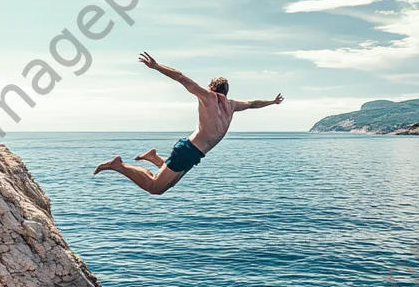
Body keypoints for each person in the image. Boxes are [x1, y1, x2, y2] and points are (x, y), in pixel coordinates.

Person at [94, 53, 284, 194]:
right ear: (224, 90)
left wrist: (271, 101)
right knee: (155, 187)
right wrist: (157, 66)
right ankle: (118, 165)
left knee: (167, 185)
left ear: (213, 86)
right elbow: (182, 78)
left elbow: (253, 104)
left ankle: (152, 156)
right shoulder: (210, 98)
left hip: (194, 153)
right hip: (189, 149)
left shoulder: (231, 105)